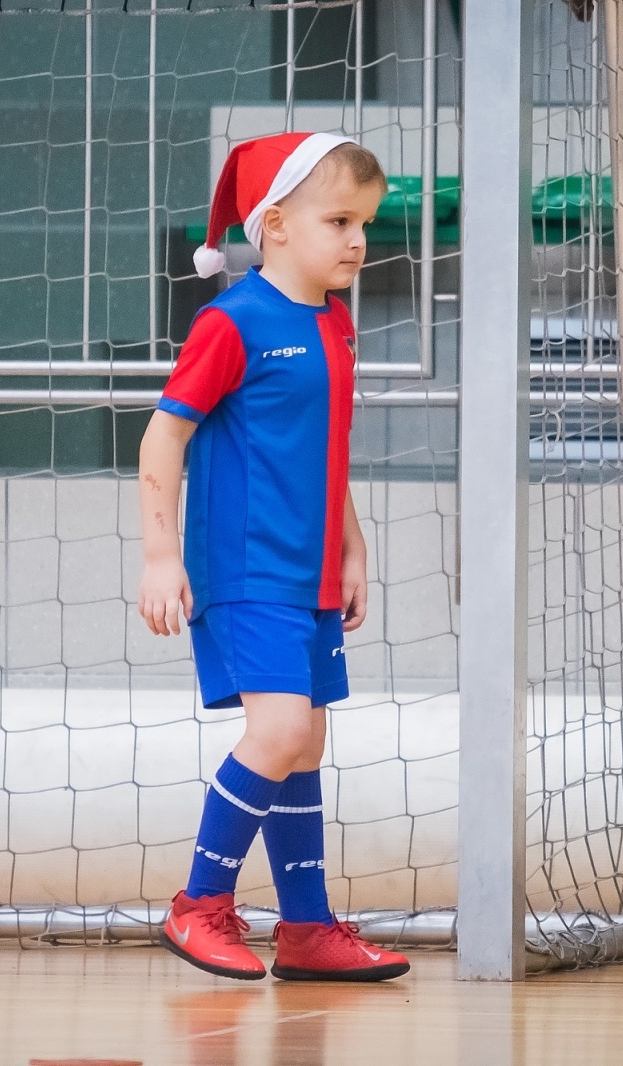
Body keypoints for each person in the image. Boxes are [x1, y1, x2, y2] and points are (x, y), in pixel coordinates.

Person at [136, 132, 410, 983]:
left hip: (311, 570)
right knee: (280, 729)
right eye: (339, 220)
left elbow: (324, 445)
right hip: (244, 567)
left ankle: (306, 929)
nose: (358, 239)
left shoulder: (335, 321)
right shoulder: (231, 323)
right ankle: (198, 907)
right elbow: (162, 437)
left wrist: (353, 545)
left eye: (364, 221)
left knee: (307, 741)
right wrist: (158, 555)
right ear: (275, 225)